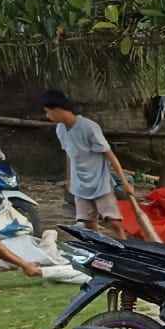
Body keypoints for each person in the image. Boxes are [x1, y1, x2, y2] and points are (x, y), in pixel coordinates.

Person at [42, 88, 132, 237]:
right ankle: (99, 248)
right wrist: (69, 179)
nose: (47, 116)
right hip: (80, 182)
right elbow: (69, 154)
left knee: (114, 222)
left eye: (47, 111)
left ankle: (124, 247)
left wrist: (125, 183)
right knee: (88, 223)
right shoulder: (60, 130)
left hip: (99, 181)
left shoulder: (88, 127)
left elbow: (110, 155)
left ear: (57, 109)